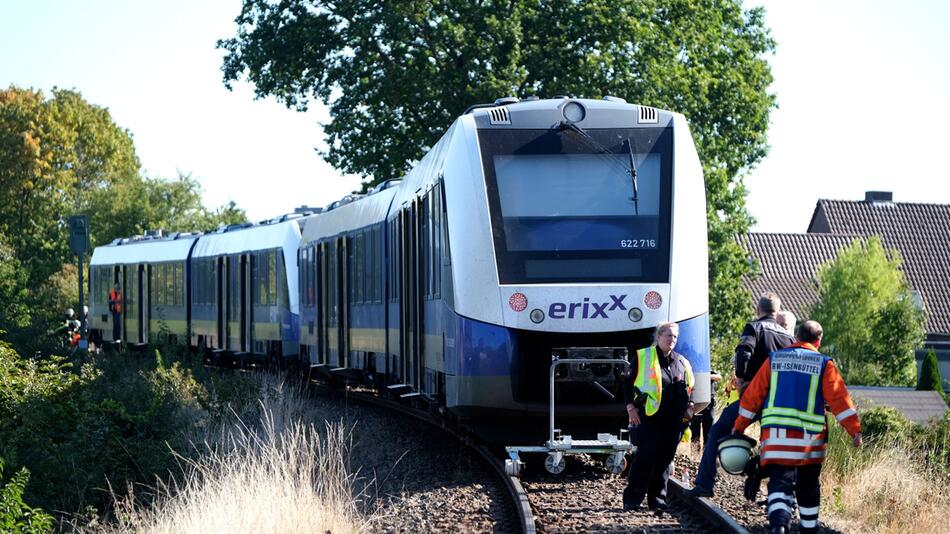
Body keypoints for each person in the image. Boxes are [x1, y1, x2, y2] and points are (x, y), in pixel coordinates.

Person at [733, 320, 862, 534]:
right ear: (818, 341)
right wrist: (854, 430)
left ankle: (779, 526)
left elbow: (752, 398)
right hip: (810, 444)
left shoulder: (774, 360)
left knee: (779, 484)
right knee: (808, 486)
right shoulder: (824, 364)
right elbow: (840, 400)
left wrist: (739, 427)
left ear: (796, 337)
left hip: (777, 440)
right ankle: (809, 528)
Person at [690, 292, 794, 497]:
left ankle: (704, 485)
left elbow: (744, 352)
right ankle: (775, 493)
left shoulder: (754, 327)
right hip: (777, 401)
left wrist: (742, 378)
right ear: (777, 311)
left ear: (758, 309)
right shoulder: (789, 337)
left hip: (753, 397)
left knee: (717, 432)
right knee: (773, 444)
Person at [622, 322, 695, 511]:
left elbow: (690, 387)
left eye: (675, 337)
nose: (672, 340)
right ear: (659, 336)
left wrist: (691, 406)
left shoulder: (682, 362)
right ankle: (632, 499)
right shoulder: (643, 356)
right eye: (669, 335)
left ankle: (657, 501)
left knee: (664, 460)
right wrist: (630, 407)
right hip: (649, 417)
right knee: (645, 458)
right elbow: (627, 384)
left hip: (673, 420)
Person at [689, 370, 722, 451]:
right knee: (695, 432)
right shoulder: (694, 367)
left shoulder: (707, 368)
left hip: (709, 403)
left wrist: (706, 377)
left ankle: (706, 454)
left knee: (709, 432)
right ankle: (694, 456)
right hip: (696, 402)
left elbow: (719, 377)